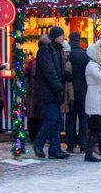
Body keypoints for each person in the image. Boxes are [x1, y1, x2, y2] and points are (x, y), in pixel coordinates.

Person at [33, 27, 70, 159]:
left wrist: (66, 76)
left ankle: (55, 149)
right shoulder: (45, 51)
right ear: (55, 36)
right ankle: (38, 144)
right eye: (62, 35)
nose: (64, 38)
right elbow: (49, 72)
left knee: (57, 120)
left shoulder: (59, 50)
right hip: (48, 91)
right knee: (52, 118)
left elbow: (58, 71)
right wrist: (59, 87)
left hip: (56, 91)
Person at [66, 32, 89, 153]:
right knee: (83, 118)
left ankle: (70, 144)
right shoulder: (85, 55)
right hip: (83, 91)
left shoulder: (66, 54)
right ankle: (83, 143)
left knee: (70, 118)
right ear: (79, 40)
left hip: (69, 92)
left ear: (69, 39)